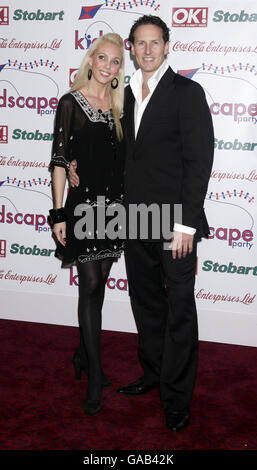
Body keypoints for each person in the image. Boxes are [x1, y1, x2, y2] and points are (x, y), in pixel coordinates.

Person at [69, 15, 214, 432]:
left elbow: (199, 161)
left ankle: (177, 397)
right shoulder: (124, 94)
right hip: (133, 219)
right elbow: (110, 149)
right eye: (140, 43)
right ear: (131, 48)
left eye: (155, 42)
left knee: (179, 310)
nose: (147, 50)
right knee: (147, 305)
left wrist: (186, 223)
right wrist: (76, 164)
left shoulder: (187, 93)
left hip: (174, 223)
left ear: (167, 46)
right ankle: (153, 373)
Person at [49, 33, 125, 416]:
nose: (108, 66)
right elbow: (60, 161)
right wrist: (58, 212)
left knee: (100, 288)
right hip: (82, 208)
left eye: (115, 62)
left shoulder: (121, 105)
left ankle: (82, 352)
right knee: (91, 284)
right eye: (103, 58)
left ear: (118, 70)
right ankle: (95, 373)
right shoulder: (69, 103)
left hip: (115, 209)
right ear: (91, 59)